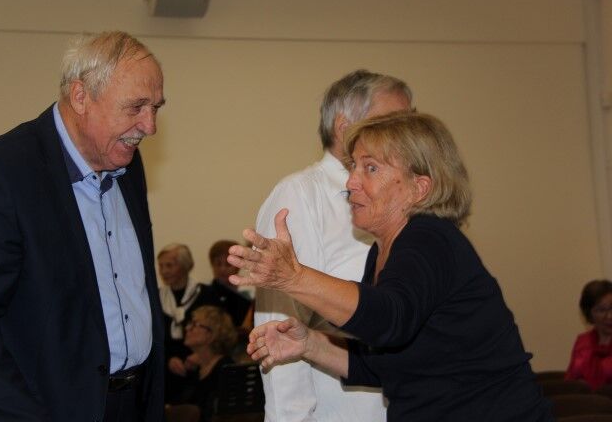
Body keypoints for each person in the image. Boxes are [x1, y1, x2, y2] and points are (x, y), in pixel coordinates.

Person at [229, 112, 553, 421]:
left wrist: (293, 276)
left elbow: (389, 318)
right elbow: (387, 363)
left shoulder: (429, 238)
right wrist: (309, 344)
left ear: (419, 188)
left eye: (370, 168)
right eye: (353, 166)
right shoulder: (382, 251)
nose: (351, 182)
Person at [0, 31, 166, 421]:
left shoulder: (125, 162)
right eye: (136, 107)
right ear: (81, 96)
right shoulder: (0, 173)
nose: (150, 126)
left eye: (156, 107)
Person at [253, 70, 411, 422]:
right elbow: (279, 325)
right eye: (391, 123)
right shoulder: (299, 195)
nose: (407, 135)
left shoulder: (405, 195)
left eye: (409, 121)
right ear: (344, 128)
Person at [158, 243, 218, 403]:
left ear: (185, 266)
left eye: (169, 265)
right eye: (161, 266)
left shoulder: (206, 294)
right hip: (166, 370)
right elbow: (153, 337)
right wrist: (168, 359)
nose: (164, 271)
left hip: (201, 365)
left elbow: (218, 332)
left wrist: (200, 355)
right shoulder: (156, 298)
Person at [170, 305, 238, 422]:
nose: (187, 328)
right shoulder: (194, 367)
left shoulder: (225, 369)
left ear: (212, 334)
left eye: (194, 324)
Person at [565, 279, 612, 389]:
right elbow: (570, 381)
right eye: (601, 310)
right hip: (585, 398)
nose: (610, 316)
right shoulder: (583, 342)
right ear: (589, 314)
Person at [208, 240, 252, 327]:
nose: (222, 269)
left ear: (238, 266)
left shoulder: (247, 295)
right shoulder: (206, 294)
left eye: (228, 264)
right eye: (218, 264)